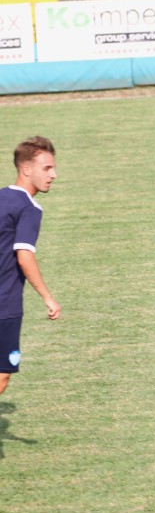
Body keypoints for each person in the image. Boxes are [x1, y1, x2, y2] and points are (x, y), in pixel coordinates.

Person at [0, 137, 62, 395]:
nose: (53, 175)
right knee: (2, 374)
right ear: (26, 169)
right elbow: (24, 256)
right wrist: (48, 297)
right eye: (47, 168)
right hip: (4, 304)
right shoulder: (29, 208)